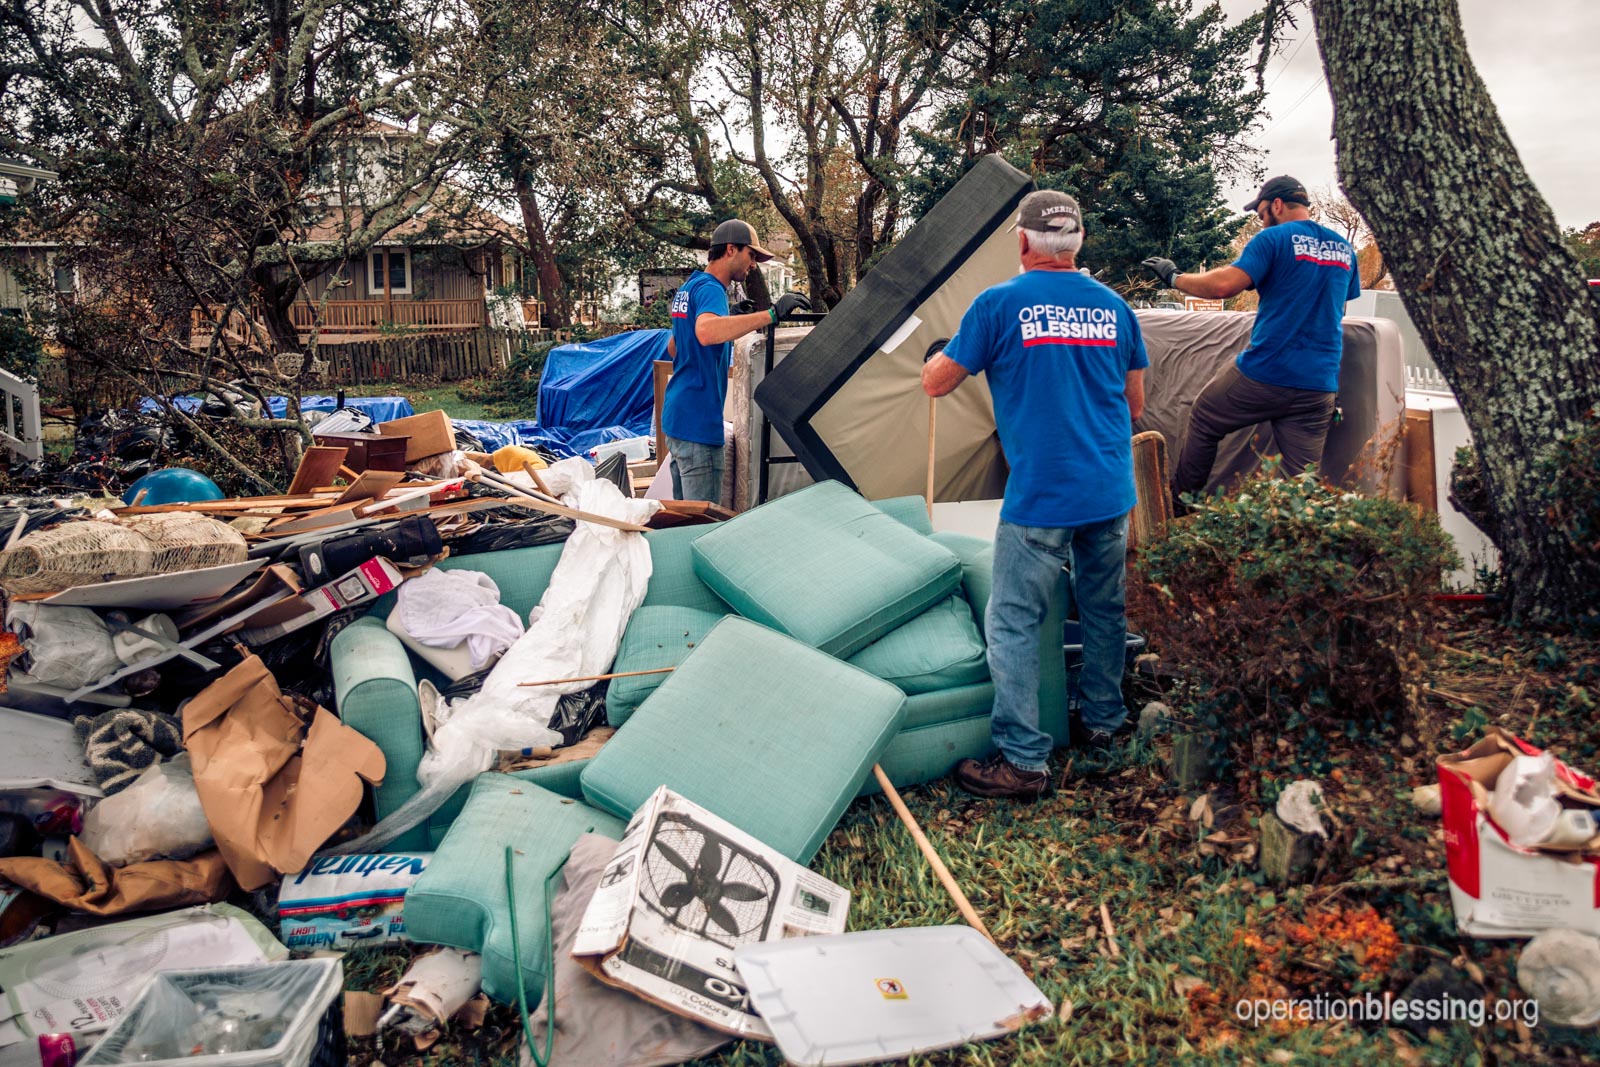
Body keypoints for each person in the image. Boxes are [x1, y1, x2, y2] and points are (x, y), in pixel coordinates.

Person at [923, 189, 1148, 800]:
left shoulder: (998, 304)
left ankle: (1023, 760)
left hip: (1043, 494)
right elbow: (1135, 404)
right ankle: (1104, 720)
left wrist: (940, 353)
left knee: (1015, 619)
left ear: (1022, 241)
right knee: (1103, 608)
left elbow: (937, 383)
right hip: (1108, 486)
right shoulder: (1115, 307)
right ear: (1077, 242)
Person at [1141, 174, 1362, 502]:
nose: (1261, 223)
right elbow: (1338, 310)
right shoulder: (1345, 250)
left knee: (1204, 418)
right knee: (1301, 485)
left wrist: (1175, 277)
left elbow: (1222, 286)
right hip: (1319, 384)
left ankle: (1181, 506)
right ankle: (1295, 538)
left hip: (1267, 372)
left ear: (1276, 205)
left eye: (1260, 215)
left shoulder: (1273, 239)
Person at [663, 219, 810, 502]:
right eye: (751, 255)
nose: (753, 264)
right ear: (731, 249)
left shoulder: (690, 287)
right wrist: (772, 315)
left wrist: (727, 316)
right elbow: (705, 333)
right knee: (703, 526)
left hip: (676, 419)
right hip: (698, 423)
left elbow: (675, 348)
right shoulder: (711, 289)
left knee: (682, 522)